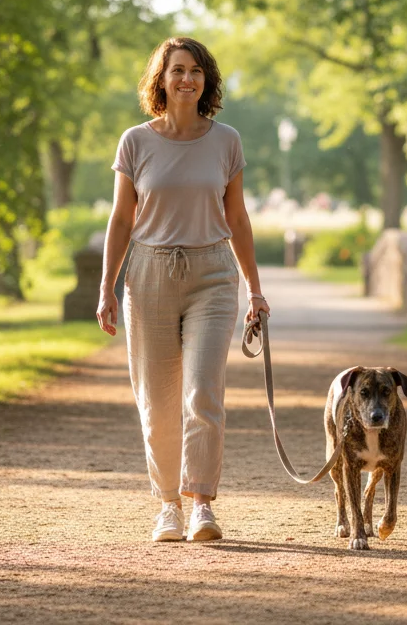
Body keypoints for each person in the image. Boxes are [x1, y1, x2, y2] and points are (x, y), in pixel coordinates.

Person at [97, 36, 270, 542]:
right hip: (148, 275)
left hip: (213, 275)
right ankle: (167, 505)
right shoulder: (135, 142)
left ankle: (201, 504)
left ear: (206, 80)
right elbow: (121, 219)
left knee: (202, 390)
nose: (186, 79)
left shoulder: (227, 141)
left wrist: (254, 290)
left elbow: (237, 218)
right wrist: (106, 287)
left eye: (195, 70)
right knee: (157, 398)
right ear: (161, 78)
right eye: (177, 70)